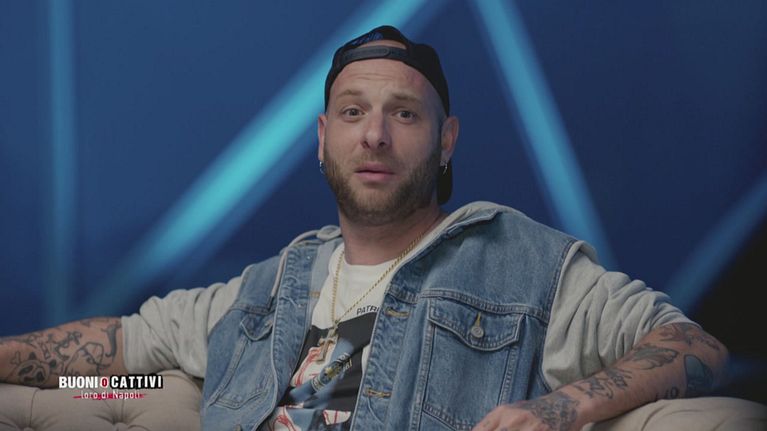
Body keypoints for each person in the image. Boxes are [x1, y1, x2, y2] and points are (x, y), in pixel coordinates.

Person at [0, 25, 728, 431]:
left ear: (446, 141)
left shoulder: (523, 263)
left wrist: (559, 407)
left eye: (403, 114)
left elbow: (694, 346)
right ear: (323, 139)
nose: (374, 134)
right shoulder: (266, 289)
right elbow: (120, 354)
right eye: (352, 113)